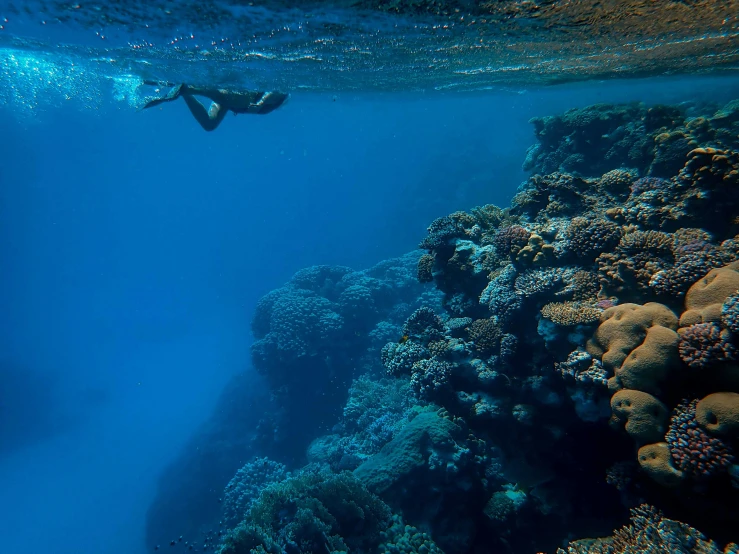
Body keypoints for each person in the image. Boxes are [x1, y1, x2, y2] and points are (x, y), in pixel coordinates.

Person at [142, 82, 289, 131]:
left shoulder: (273, 106)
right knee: (223, 97)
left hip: (236, 103)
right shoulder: (278, 100)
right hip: (246, 98)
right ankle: (187, 89)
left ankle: (184, 91)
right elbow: (278, 91)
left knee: (209, 124)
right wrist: (261, 103)